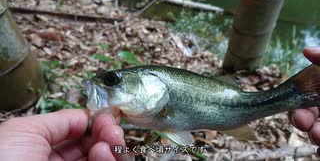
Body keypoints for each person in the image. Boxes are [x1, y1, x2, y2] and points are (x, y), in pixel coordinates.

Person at [0, 47, 320, 160]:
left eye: (113, 80)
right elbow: (179, 138)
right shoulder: (153, 113)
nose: (104, 85)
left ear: (154, 87)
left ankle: (298, 92)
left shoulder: (160, 108)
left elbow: (178, 139)